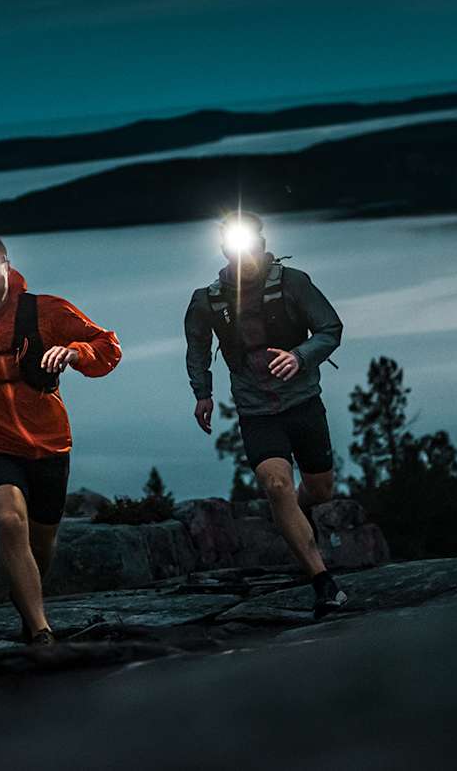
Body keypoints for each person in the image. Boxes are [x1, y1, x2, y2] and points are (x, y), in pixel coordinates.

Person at [0, 231, 121, 645]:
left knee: (41, 543)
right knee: (11, 521)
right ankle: (43, 632)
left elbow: (108, 346)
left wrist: (75, 352)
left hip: (48, 441)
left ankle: (26, 609)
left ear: (8, 265)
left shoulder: (46, 311)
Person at [184, 212, 348, 618]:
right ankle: (322, 583)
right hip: (257, 411)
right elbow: (197, 348)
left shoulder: (293, 283)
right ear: (223, 249)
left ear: (261, 242)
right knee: (276, 485)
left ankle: (297, 522)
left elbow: (331, 329)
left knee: (320, 490)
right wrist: (203, 394)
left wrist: (300, 356)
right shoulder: (208, 299)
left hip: (304, 402)